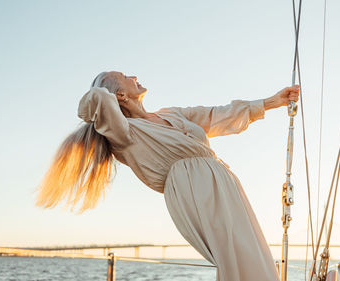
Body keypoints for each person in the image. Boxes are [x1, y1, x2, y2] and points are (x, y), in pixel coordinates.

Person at [36, 71, 300, 281]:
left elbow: (216, 115)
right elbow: (95, 102)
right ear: (120, 95)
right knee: (235, 256)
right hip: (193, 190)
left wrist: (272, 101)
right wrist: (108, 91)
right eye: (125, 77)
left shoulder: (171, 114)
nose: (134, 75)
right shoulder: (122, 132)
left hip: (223, 181)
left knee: (252, 251)